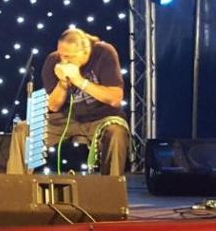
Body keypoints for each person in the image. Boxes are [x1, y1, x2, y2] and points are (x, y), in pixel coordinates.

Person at [7, 28, 130, 175]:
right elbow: (53, 106)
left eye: (69, 57)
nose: (63, 60)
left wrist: (79, 81)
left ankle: (111, 186)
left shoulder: (104, 53)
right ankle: (17, 184)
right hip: (65, 119)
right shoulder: (53, 60)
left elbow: (115, 99)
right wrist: (63, 84)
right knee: (23, 129)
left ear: (85, 52)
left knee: (116, 133)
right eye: (61, 54)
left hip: (101, 118)